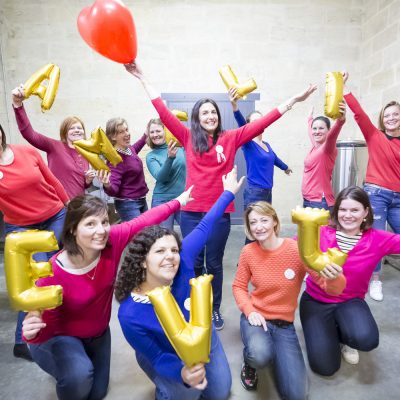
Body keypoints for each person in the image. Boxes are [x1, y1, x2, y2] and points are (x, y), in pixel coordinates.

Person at [126, 60, 316, 329]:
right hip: (191, 211)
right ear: (197, 117)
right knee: (192, 260)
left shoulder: (232, 137)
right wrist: (142, 77)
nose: (209, 117)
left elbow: (266, 120)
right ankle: (192, 304)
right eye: (204, 113)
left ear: (218, 116)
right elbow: (160, 108)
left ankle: (213, 308)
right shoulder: (187, 136)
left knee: (214, 262)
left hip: (220, 212)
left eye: (213, 112)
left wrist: (294, 100)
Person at [21, 187, 192, 400]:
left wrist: (178, 201)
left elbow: (144, 220)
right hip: (62, 336)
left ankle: (75, 366)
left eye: (104, 222)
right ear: (73, 229)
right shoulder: (52, 272)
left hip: (98, 335)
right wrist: (32, 332)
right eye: (90, 224)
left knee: (97, 393)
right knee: (79, 378)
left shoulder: (111, 242)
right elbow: (41, 325)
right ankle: (68, 368)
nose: (101, 230)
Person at [115, 167, 243, 400]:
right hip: (165, 352)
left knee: (220, 393)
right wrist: (181, 371)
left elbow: (206, 226)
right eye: (160, 251)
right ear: (143, 262)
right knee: (188, 394)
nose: (171, 256)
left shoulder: (182, 261)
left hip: (203, 337)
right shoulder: (130, 314)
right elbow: (157, 357)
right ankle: (164, 389)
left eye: (173, 249)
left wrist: (228, 193)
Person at [232, 201, 345, 399]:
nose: (259, 226)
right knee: (260, 355)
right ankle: (250, 362)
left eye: (264, 220)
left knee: (297, 394)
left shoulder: (296, 250)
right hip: (257, 318)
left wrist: (335, 276)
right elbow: (239, 287)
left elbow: (331, 288)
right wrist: (250, 311)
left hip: (285, 325)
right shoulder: (248, 252)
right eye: (253, 222)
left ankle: (273, 351)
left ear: (275, 221)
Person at [300, 186, 400, 376]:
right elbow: (291, 250)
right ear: (336, 211)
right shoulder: (321, 233)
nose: (348, 215)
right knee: (325, 367)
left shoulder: (377, 239)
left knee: (366, 339)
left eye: (354, 210)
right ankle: (323, 331)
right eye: (343, 209)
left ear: (366, 212)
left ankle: (344, 338)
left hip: (351, 301)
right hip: (315, 301)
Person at [0, 122, 69, 362]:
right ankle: (22, 340)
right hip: (21, 226)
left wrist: (70, 206)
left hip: (54, 215)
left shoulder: (26, 152)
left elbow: (52, 181)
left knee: (52, 269)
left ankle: (55, 325)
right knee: (34, 279)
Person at [343, 72, 400, 302]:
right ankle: (374, 280)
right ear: (381, 119)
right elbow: (359, 114)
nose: (391, 118)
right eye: (387, 115)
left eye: (395, 114)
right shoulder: (374, 135)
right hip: (376, 194)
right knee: (375, 237)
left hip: (398, 197)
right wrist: (344, 87)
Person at [11, 85, 95, 198]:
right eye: (72, 128)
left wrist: (88, 181)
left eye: (80, 128)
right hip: (58, 206)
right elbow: (29, 134)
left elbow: (80, 184)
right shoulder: (55, 146)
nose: (77, 131)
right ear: (65, 132)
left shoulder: (86, 154)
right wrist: (18, 105)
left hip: (78, 207)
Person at [228, 87, 292, 208]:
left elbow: (274, 159)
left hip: (268, 192)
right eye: (255, 122)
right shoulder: (248, 143)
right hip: (254, 193)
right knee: (253, 226)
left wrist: (286, 167)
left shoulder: (267, 145)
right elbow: (241, 123)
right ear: (249, 125)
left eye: (260, 121)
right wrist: (235, 106)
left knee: (265, 225)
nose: (259, 124)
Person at [301, 102, 346, 212]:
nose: (316, 132)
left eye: (321, 128)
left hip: (319, 203)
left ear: (328, 131)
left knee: (321, 230)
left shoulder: (327, 149)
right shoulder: (315, 146)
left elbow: (332, 137)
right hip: (308, 200)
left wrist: (340, 122)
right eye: (314, 128)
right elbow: (310, 131)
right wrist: (309, 118)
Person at [104, 117, 149, 222]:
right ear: (113, 137)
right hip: (128, 204)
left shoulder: (128, 149)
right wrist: (107, 185)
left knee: (145, 233)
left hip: (141, 199)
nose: (127, 134)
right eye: (121, 132)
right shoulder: (115, 160)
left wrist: (145, 135)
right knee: (138, 235)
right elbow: (113, 190)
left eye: (126, 130)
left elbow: (135, 149)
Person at [146, 118, 186, 230]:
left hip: (182, 199)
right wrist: (170, 158)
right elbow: (161, 177)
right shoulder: (151, 156)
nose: (155, 135)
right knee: (165, 239)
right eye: (152, 132)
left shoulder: (181, 148)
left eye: (158, 131)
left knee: (191, 233)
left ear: (165, 131)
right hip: (162, 201)